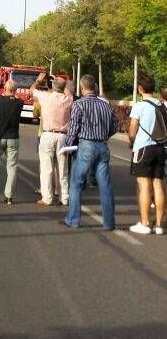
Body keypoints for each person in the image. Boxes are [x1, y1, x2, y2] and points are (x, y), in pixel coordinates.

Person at [61, 74, 117, 231]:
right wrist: (104, 136)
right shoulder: (106, 105)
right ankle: (109, 222)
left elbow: (73, 128)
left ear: (82, 87)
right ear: (95, 87)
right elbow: (114, 126)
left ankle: (73, 219)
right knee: (105, 185)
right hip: (102, 146)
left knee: (76, 182)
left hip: (86, 145)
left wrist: (67, 146)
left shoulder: (79, 104)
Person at [128, 76, 166, 235]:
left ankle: (144, 223)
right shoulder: (161, 105)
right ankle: (158, 225)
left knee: (144, 186)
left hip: (143, 148)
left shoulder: (139, 106)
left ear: (140, 89)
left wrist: (131, 142)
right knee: (157, 185)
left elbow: (132, 131)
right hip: (160, 148)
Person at [31, 72, 73, 207]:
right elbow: (68, 91)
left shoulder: (45, 97)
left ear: (53, 86)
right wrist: (61, 82)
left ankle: (47, 197)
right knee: (63, 168)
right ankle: (64, 197)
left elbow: (32, 90)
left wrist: (38, 80)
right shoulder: (68, 99)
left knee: (46, 167)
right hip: (63, 136)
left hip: (47, 134)